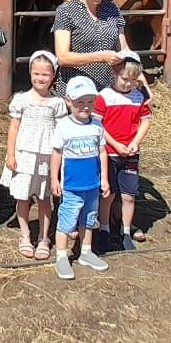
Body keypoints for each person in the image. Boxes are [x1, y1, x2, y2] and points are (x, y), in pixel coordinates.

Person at [1, 49, 66, 261]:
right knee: (22, 196)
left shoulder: (57, 104)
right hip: (25, 154)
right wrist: (10, 154)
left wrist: (60, 162)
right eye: (36, 73)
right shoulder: (22, 100)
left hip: (47, 156)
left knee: (44, 197)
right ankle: (25, 235)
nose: (40, 78)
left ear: (53, 76)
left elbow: (61, 133)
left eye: (45, 74)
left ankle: (44, 237)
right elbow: (14, 128)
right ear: (30, 73)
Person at [50, 75, 111, 281]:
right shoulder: (64, 126)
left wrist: (104, 179)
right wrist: (54, 179)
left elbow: (102, 152)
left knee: (89, 218)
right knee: (67, 222)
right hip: (72, 185)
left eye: (89, 102)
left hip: (92, 185)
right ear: (69, 101)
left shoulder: (97, 125)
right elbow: (57, 153)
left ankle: (86, 252)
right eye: (79, 102)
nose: (85, 107)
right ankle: (61, 255)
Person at [95, 50, 153, 253]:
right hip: (110, 153)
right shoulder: (104, 97)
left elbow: (146, 120)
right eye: (125, 79)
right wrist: (114, 144)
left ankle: (125, 231)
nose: (129, 84)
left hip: (130, 153)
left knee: (129, 195)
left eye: (133, 80)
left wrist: (136, 141)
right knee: (108, 194)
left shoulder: (139, 97)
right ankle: (104, 228)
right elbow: (98, 124)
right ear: (115, 73)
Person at [51, 0, 132, 97]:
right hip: (76, 91)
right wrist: (100, 56)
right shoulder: (66, 11)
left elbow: (124, 50)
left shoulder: (112, 9)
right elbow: (63, 57)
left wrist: (140, 82)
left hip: (108, 91)